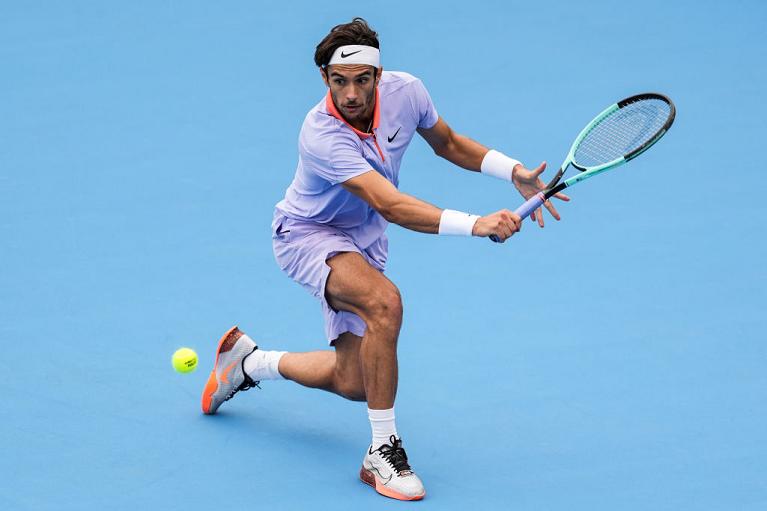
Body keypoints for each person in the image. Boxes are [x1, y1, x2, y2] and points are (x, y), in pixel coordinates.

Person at [200, 17, 568, 501]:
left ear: (379, 75)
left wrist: (513, 171)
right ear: (324, 79)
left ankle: (250, 363)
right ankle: (381, 453)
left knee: (355, 381)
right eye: (339, 81)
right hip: (308, 234)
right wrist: (476, 223)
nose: (351, 94)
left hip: (364, 237)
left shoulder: (407, 92)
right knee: (384, 304)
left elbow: (449, 143)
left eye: (362, 80)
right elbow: (392, 205)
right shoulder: (321, 134)